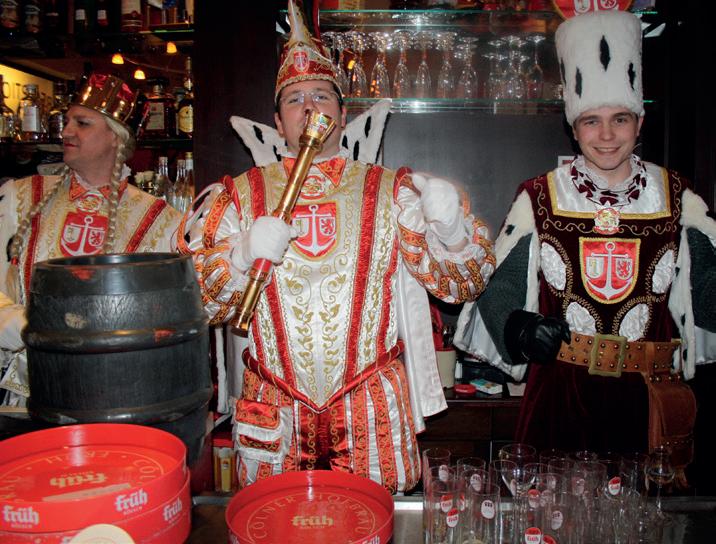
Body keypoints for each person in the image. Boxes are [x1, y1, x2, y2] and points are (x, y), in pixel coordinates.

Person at [176, 0, 495, 493]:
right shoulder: (239, 195)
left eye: (321, 96)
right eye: (295, 99)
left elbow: (462, 287)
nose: (309, 108)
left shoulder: (391, 190)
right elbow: (200, 304)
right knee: (274, 519)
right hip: (276, 408)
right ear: (278, 121)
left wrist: (452, 231)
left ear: (343, 115)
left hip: (369, 408)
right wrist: (238, 255)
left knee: (373, 520)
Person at [454, 9, 716, 483]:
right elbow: (498, 290)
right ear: (573, 127)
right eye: (591, 121)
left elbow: (711, 293)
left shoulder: (678, 197)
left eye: (620, 119)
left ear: (640, 122)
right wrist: (520, 328)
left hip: (646, 402)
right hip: (561, 395)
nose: (607, 135)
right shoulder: (540, 195)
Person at [0, 73, 182, 407]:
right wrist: (24, 325)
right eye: (68, 121)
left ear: (115, 137)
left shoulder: (160, 220)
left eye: (82, 123)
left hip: (119, 395)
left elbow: (169, 316)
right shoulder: (19, 198)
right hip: (29, 394)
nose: (66, 131)